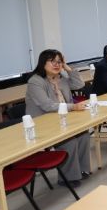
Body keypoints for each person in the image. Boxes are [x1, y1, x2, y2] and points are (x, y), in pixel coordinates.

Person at [25, 49, 91, 187]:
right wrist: (73, 107)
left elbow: (79, 84)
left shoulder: (61, 78)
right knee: (69, 141)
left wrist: (67, 67)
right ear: (43, 63)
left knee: (83, 134)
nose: (57, 65)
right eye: (52, 61)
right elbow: (47, 105)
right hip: (43, 124)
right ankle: (67, 178)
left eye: (59, 62)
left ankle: (81, 170)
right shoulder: (35, 82)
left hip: (63, 120)